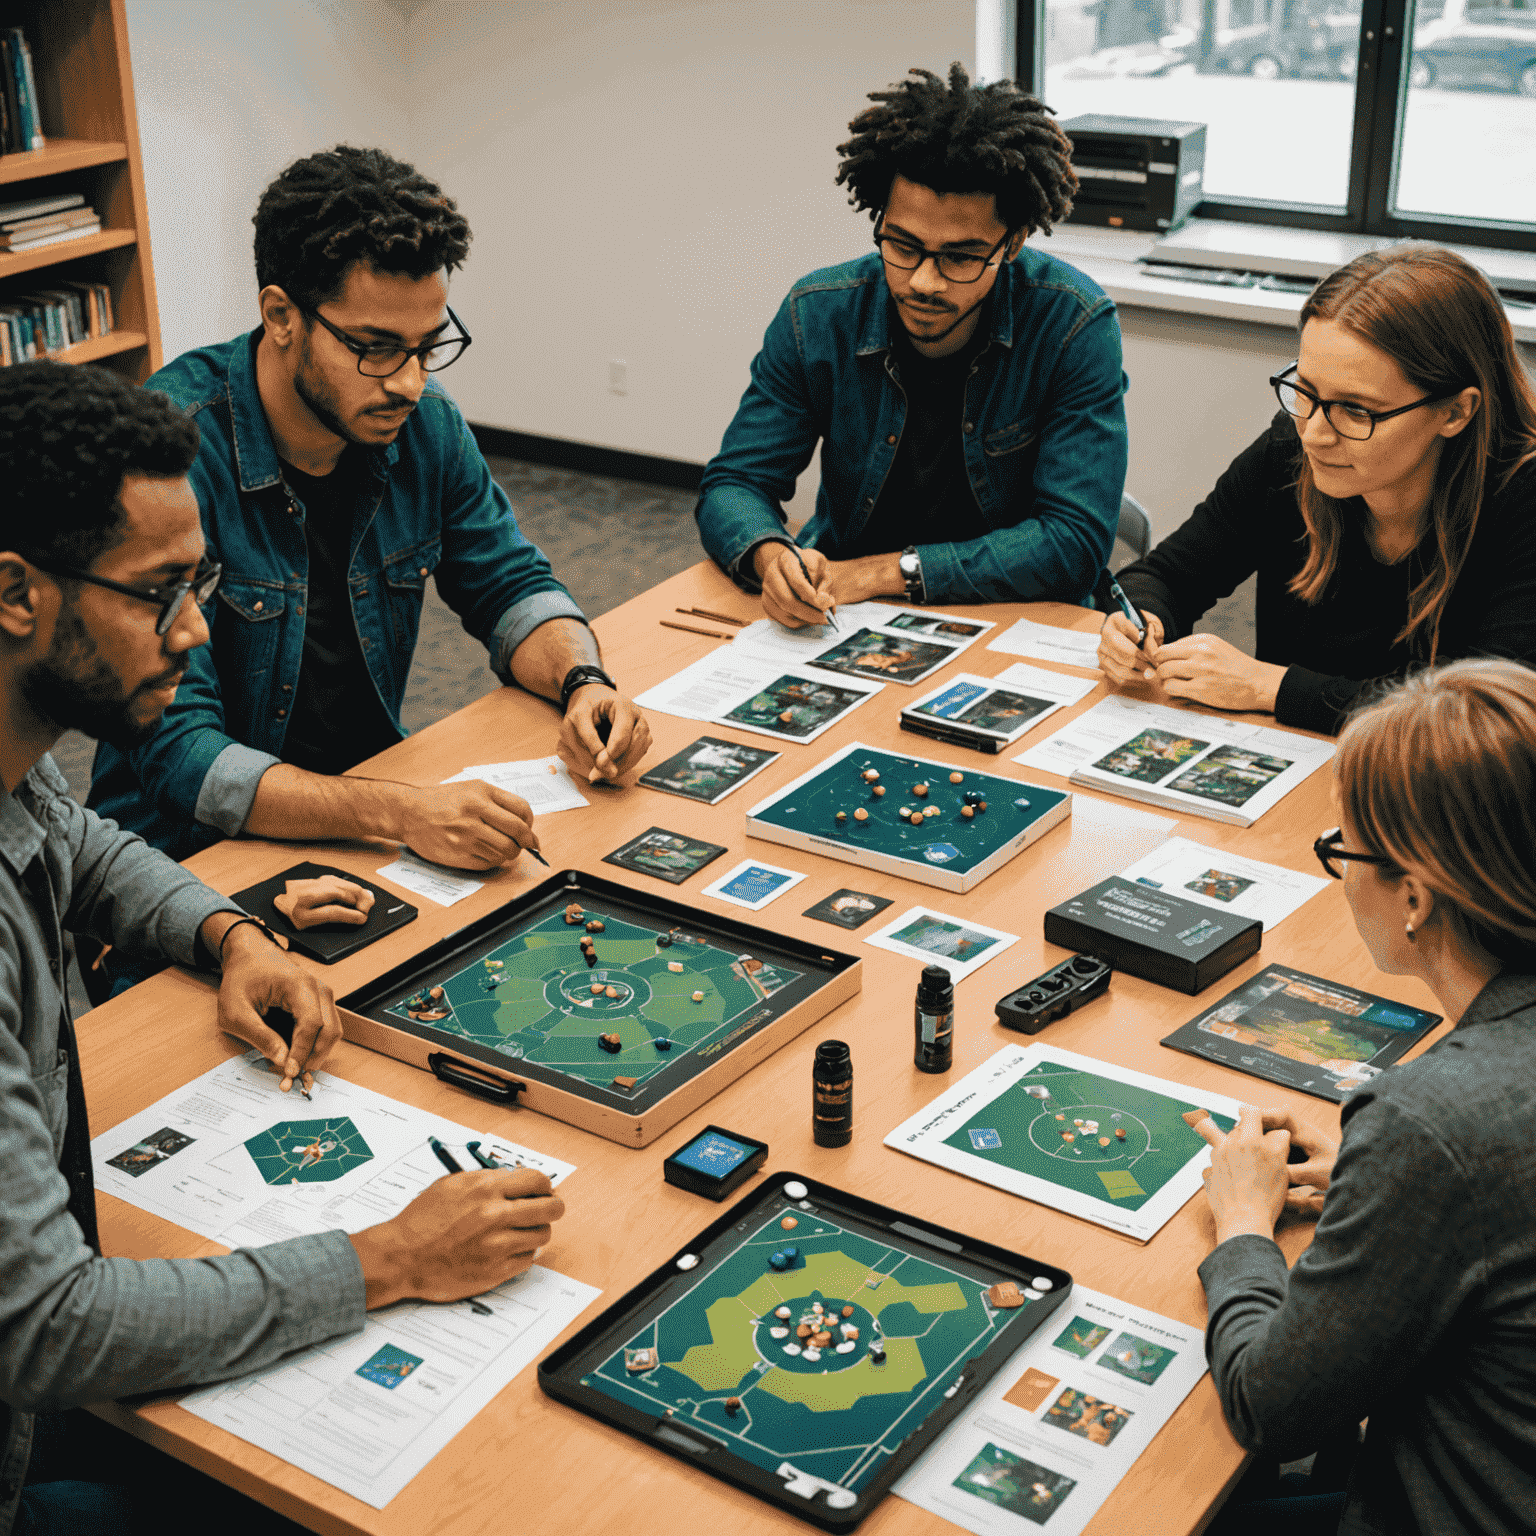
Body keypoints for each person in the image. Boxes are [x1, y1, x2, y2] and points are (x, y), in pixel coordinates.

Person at [0, 361, 565, 1535]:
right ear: (16, 595)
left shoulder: (18, 755)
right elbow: (49, 1325)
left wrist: (232, 935)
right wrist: (391, 1261)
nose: (195, 626)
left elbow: (85, 843)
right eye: (159, 592)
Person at [87, 145, 652, 886]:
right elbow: (183, 758)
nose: (411, 383)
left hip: (362, 814)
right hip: (185, 858)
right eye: (377, 349)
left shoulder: (422, 423)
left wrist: (585, 683)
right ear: (282, 315)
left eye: (427, 346)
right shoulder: (168, 458)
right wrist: (400, 814)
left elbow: (509, 583)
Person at [1192, 658, 1536, 1535]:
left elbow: (1271, 1407)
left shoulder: (1432, 1123)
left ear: (1415, 895)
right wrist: (1383, 1188)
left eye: (1342, 849)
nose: (1338, 872)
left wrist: (1239, 1224)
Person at [694, 63, 1128, 626]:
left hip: (1021, 617)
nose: (924, 281)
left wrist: (883, 573)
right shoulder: (818, 313)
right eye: (902, 245)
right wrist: (770, 555)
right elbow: (735, 483)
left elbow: (1073, 541)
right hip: (846, 614)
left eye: (961, 257)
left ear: (1014, 242)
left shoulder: (1073, 324)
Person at [1099, 246, 1536, 735]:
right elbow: (1168, 575)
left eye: (1356, 411)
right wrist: (1140, 621)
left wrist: (1271, 688)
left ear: (1455, 412)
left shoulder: (1522, 501)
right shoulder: (1290, 451)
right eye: (1304, 392)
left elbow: (1488, 716)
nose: (1314, 433)